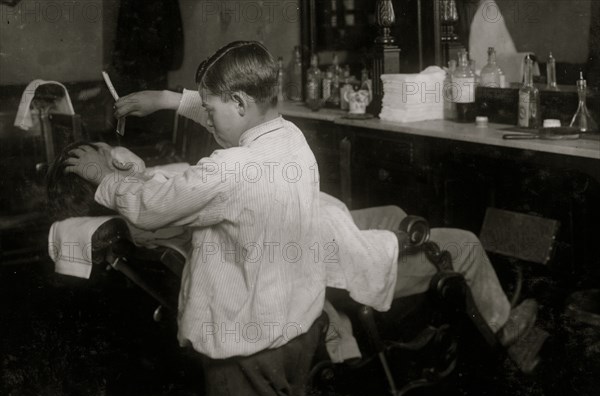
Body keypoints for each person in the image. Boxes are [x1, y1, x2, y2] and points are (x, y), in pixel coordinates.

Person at [113, 73, 545, 373]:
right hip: (320, 253)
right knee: (466, 243)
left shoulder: (179, 180)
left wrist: (166, 101)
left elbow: (226, 117)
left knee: (394, 214)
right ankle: (506, 334)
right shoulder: (232, 165)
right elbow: (230, 114)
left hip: (308, 229)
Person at [66, 41, 328, 396]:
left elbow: (153, 204)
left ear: (239, 101)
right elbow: (232, 123)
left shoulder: (230, 168)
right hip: (297, 327)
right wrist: (169, 100)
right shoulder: (290, 138)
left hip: (246, 344)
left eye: (210, 109)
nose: (208, 117)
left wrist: (102, 175)